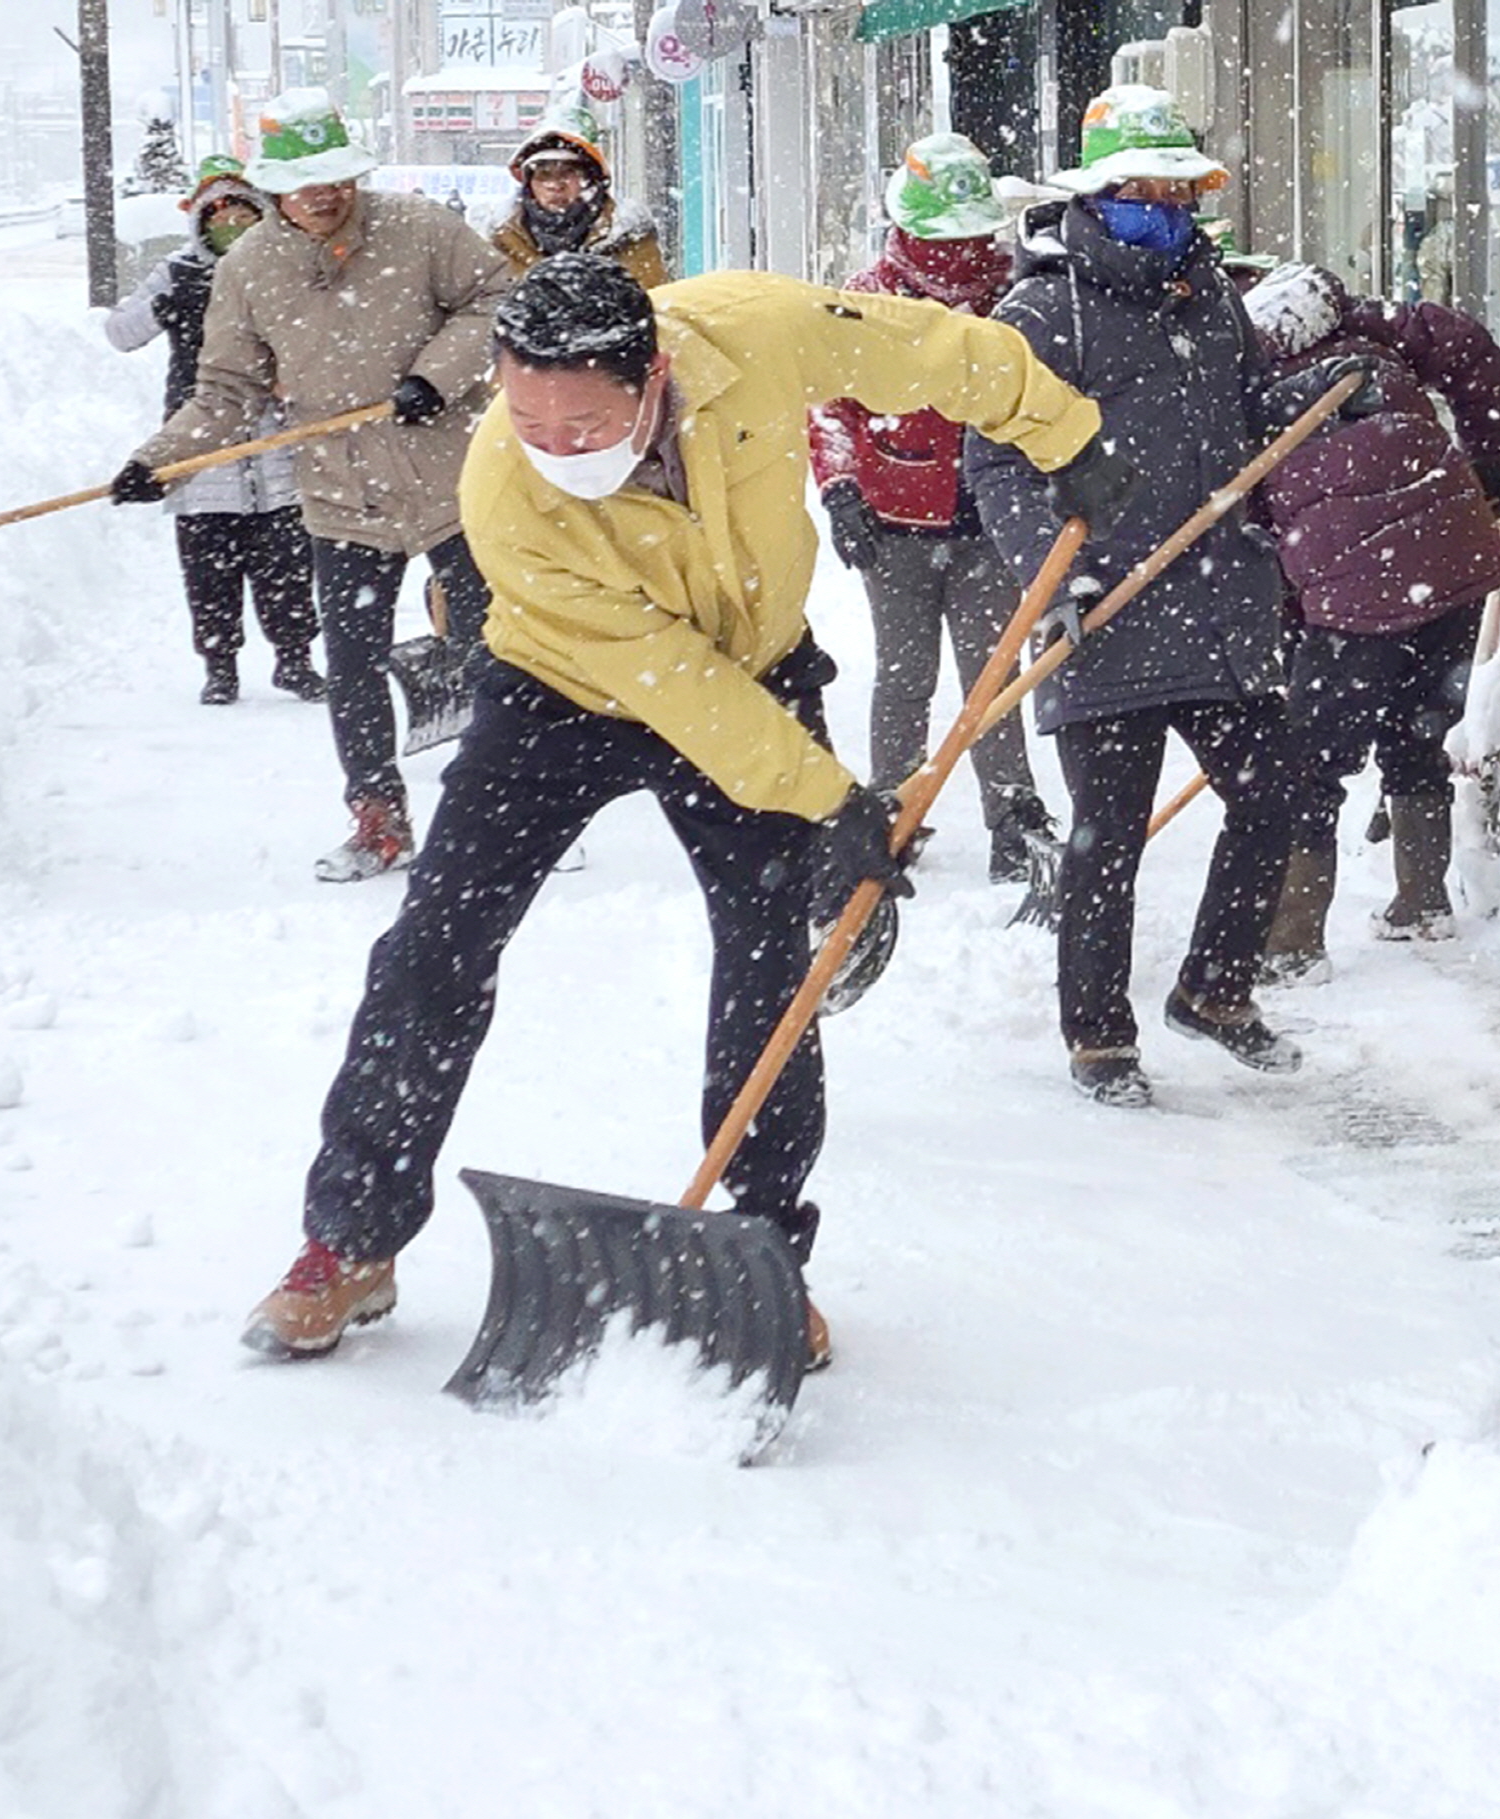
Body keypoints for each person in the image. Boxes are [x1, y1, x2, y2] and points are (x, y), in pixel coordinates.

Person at [239, 254, 1132, 1370]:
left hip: (754, 667)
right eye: (527, 417)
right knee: (434, 947)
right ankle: (350, 1239)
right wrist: (829, 796)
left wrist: (1063, 434)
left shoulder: (755, 333)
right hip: (561, 691)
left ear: (655, 374)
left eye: (582, 423)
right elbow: (676, 685)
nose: (553, 446)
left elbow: (935, 352)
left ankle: (762, 1251)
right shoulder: (504, 493)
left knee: (771, 966)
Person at [966, 86, 1378, 1108]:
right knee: (1107, 833)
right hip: (1104, 611)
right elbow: (997, 462)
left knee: (1274, 796)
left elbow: (1243, 415)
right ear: (1098, 196)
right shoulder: (1043, 313)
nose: (1166, 208)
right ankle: (1100, 1036)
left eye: (1178, 191)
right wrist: (1053, 577)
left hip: (1216, 602)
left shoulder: (1209, 297)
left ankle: (1214, 988)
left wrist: (1317, 397)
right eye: (1144, 192)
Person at [109, 89, 513, 882]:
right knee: (353, 663)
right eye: (303, 183)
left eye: (335, 178)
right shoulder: (249, 268)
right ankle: (378, 820)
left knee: (492, 649)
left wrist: (435, 377)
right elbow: (226, 390)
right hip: (340, 492)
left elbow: (496, 297)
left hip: (451, 481)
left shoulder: (419, 229)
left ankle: (506, 812)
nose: (323, 195)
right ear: (274, 188)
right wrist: (160, 460)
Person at [1240, 260, 1500, 982]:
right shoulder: (1370, 330)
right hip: (1455, 551)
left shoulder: (1238, 376)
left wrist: (1288, 623)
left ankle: (1292, 943)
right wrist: (1492, 468)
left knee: (1308, 766)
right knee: (1417, 730)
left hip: (1353, 591)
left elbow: (1248, 523)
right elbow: (1469, 349)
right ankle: (1422, 902)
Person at [808, 132, 1057, 883]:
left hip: (989, 521)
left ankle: (1012, 810)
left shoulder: (1014, 293)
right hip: (894, 524)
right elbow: (828, 403)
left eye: (972, 235)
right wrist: (840, 488)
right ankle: (894, 806)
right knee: (904, 674)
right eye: (945, 238)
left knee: (993, 675)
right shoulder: (866, 301)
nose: (961, 252)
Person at [102, 157, 325, 707]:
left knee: (287, 562)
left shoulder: (288, 267)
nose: (231, 225)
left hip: (277, 439)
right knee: (209, 567)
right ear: (200, 221)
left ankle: (294, 659)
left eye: (242, 214)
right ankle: (220, 665)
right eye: (218, 216)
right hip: (198, 440)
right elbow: (120, 332)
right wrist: (166, 306)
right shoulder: (177, 272)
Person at [490, 109, 669, 288]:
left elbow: (652, 295)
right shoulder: (502, 237)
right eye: (544, 175)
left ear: (590, 180)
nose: (555, 185)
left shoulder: (627, 232)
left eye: (567, 173)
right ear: (529, 186)